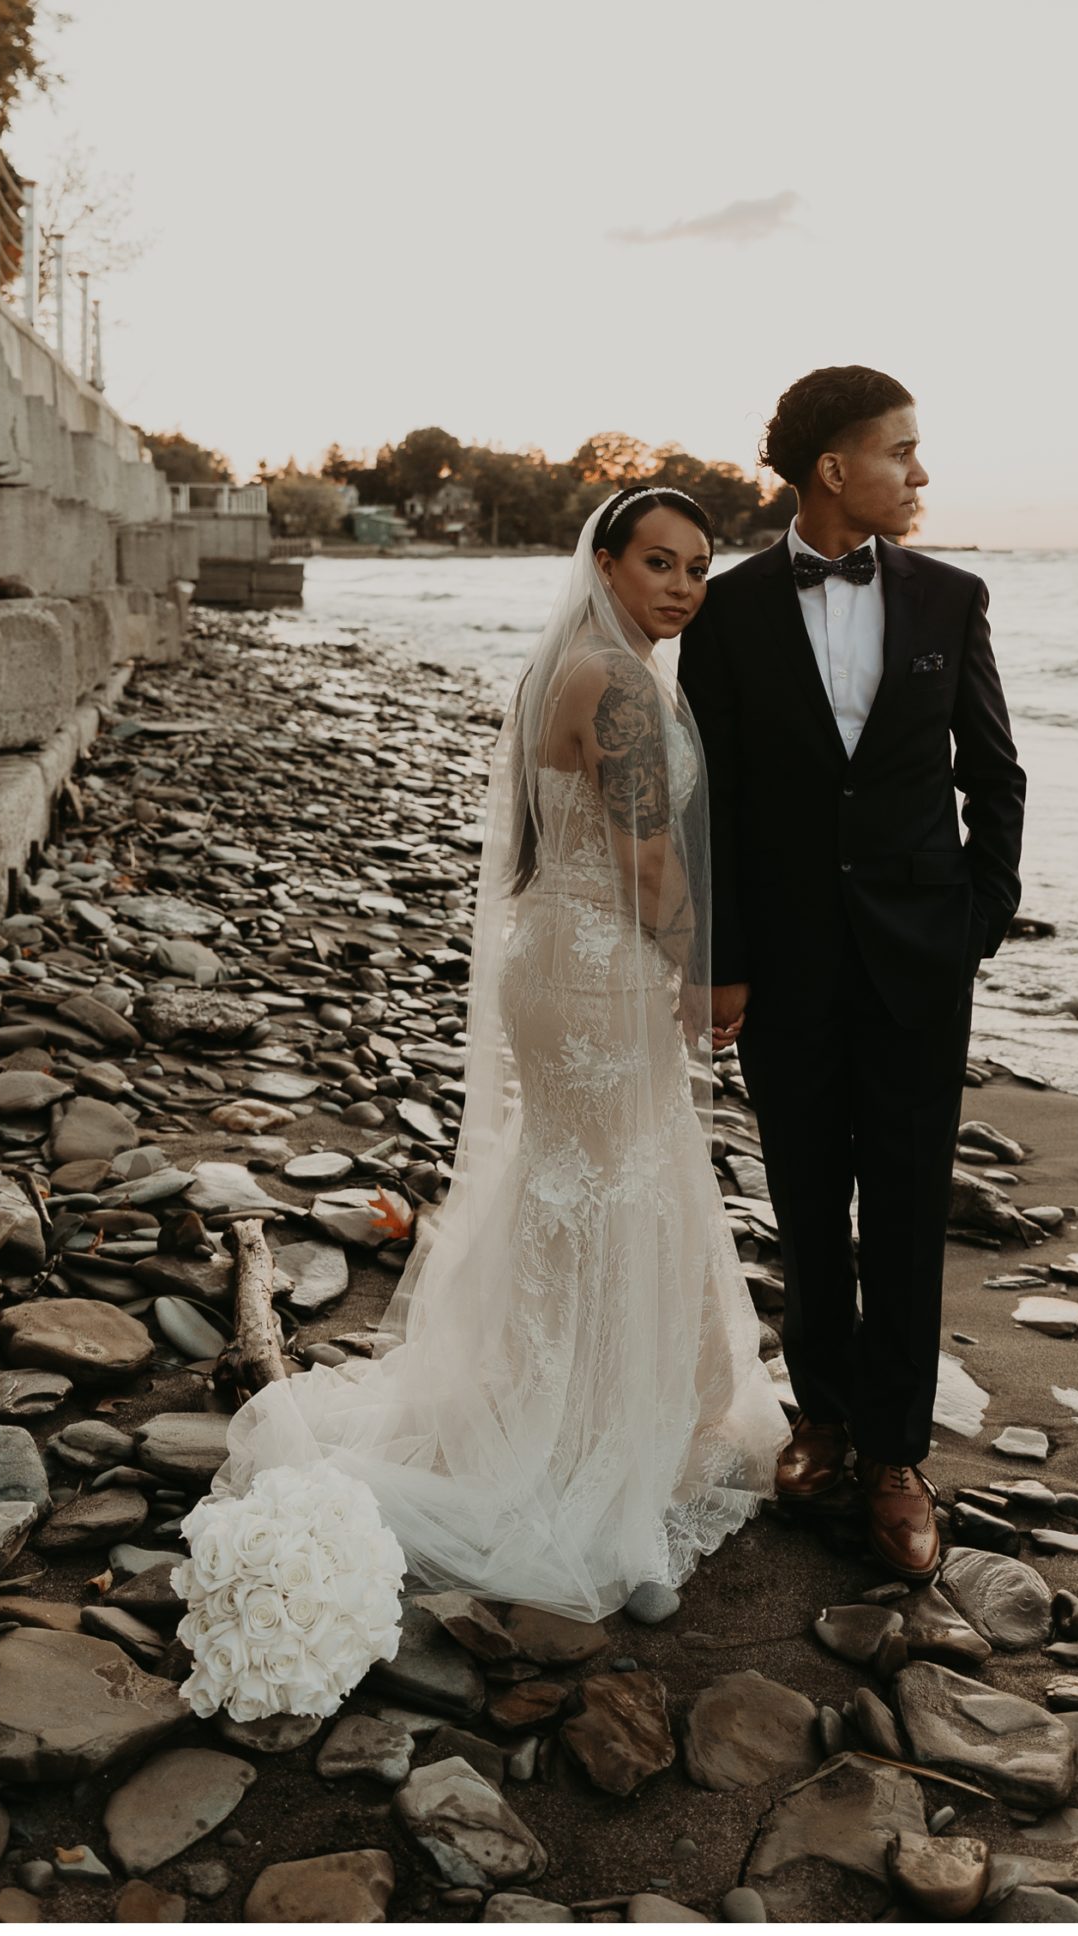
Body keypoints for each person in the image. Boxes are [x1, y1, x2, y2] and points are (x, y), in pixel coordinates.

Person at [213, 486, 786, 1648]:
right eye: (660, 563)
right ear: (608, 562)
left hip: (566, 957)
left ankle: (580, 1411)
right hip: (600, 968)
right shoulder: (616, 682)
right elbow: (636, 862)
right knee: (612, 1181)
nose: (682, 586)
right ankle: (590, 1460)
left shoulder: (571, 664)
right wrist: (702, 969)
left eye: (698, 568)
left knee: (577, 1177)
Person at [679, 365, 1026, 1580]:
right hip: (782, 966)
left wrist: (976, 916)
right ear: (835, 467)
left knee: (909, 1208)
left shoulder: (947, 596)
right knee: (808, 1206)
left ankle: (893, 1455)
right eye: (902, 451)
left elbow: (993, 772)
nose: (918, 473)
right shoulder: (724, 614)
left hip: (919, 958)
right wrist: (721, 963)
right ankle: (820, 1420)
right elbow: (704, 803)